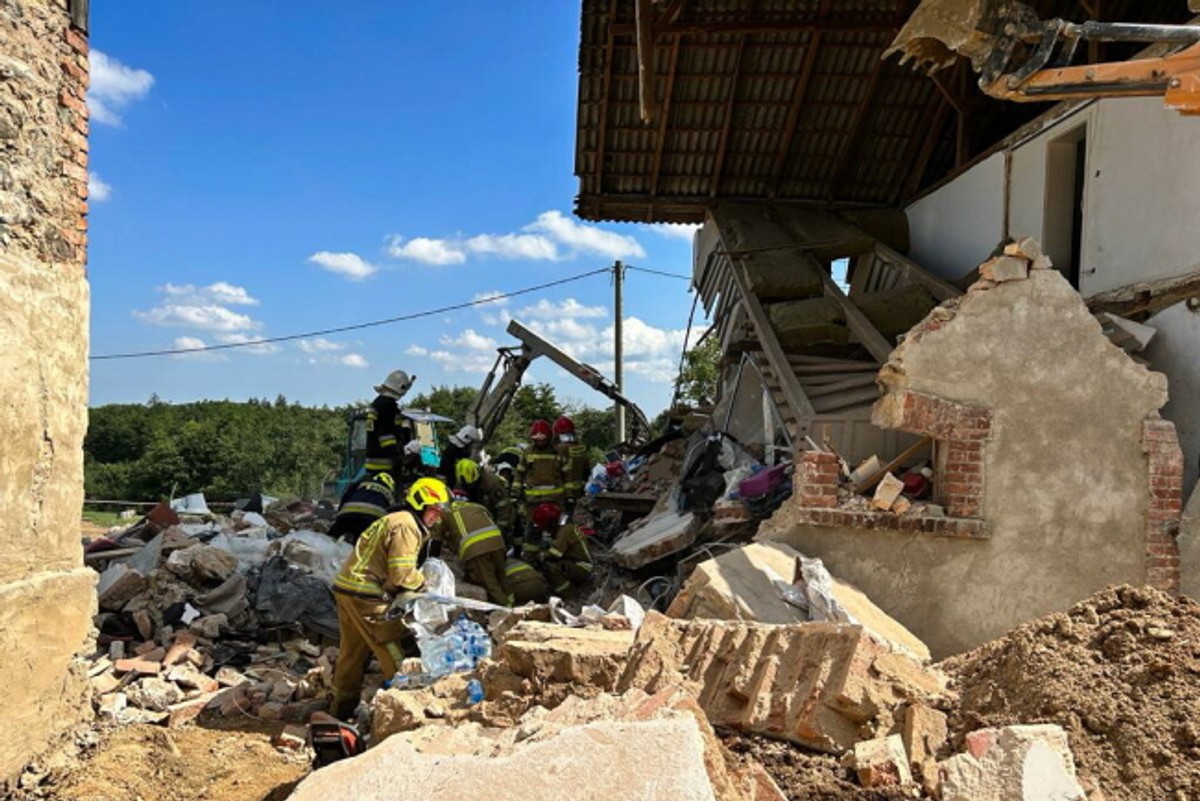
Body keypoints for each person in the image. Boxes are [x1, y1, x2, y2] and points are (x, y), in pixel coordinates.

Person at [329, 477, 449, 721]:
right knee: (393, 645)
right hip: (366, 594)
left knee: (352, 654)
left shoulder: (396, 519)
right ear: (420, 504)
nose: (436, 517)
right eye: (434, 510)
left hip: (348, 589)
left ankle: (340, 710)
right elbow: (402, 574)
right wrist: (425, 584)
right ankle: (407, 709)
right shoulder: (407, 526)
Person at [428, 498, 511, 606]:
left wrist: (430, 562)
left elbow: (436, 541)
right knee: (501, 575)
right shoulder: (477, 506)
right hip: (498, 543)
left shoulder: (445, 513)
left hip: (476, 549)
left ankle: (507, 611)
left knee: (489, 584)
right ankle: (512, 601)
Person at [525, 502, 593, 598]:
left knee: (549, 567)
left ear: (550, 523)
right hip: (579, 564)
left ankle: (570, 594)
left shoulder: (564, 531)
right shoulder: (566, 527)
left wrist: (540, 556)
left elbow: (554, 554)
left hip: (582, 568)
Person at [513, 419, 566, 538]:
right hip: (533, 499)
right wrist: (515, 491)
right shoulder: (527, 452)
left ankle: (555, 552)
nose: (540, 443)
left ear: (550, 438)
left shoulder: (558, 452)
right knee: (532, 527)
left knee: (555, 528)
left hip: (554, 499)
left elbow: (567, 475)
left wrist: (569, 495)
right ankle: (531, 554)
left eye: (543, 440)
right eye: (537, 440)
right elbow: (519, 473)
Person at [365, 370, 416, 485]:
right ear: (400, 387)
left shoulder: (377, 404)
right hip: (385, 463)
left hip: (372, 462)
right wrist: (397, 456)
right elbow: (387, 436)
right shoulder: (389, 406)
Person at [455, 458, 516, 544]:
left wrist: (499, 532)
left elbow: (503, 508)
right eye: (468, 486)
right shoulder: (462, 483)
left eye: (472, 485)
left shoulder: (492, 483)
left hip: (495, 515)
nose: (470, 488)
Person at [328, 472, 395, 545]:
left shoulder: (363, 483)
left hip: (348, 514)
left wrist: (339, 514)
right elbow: (392, 514)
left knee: (331, 537)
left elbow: (347, 495)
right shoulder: (389, 494)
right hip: (370, 519)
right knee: (361, 545)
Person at [553, 415, 590, 511]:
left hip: (561, 493)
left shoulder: (558, 449)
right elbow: (587, 471)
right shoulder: (581, 448)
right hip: (579, 492)